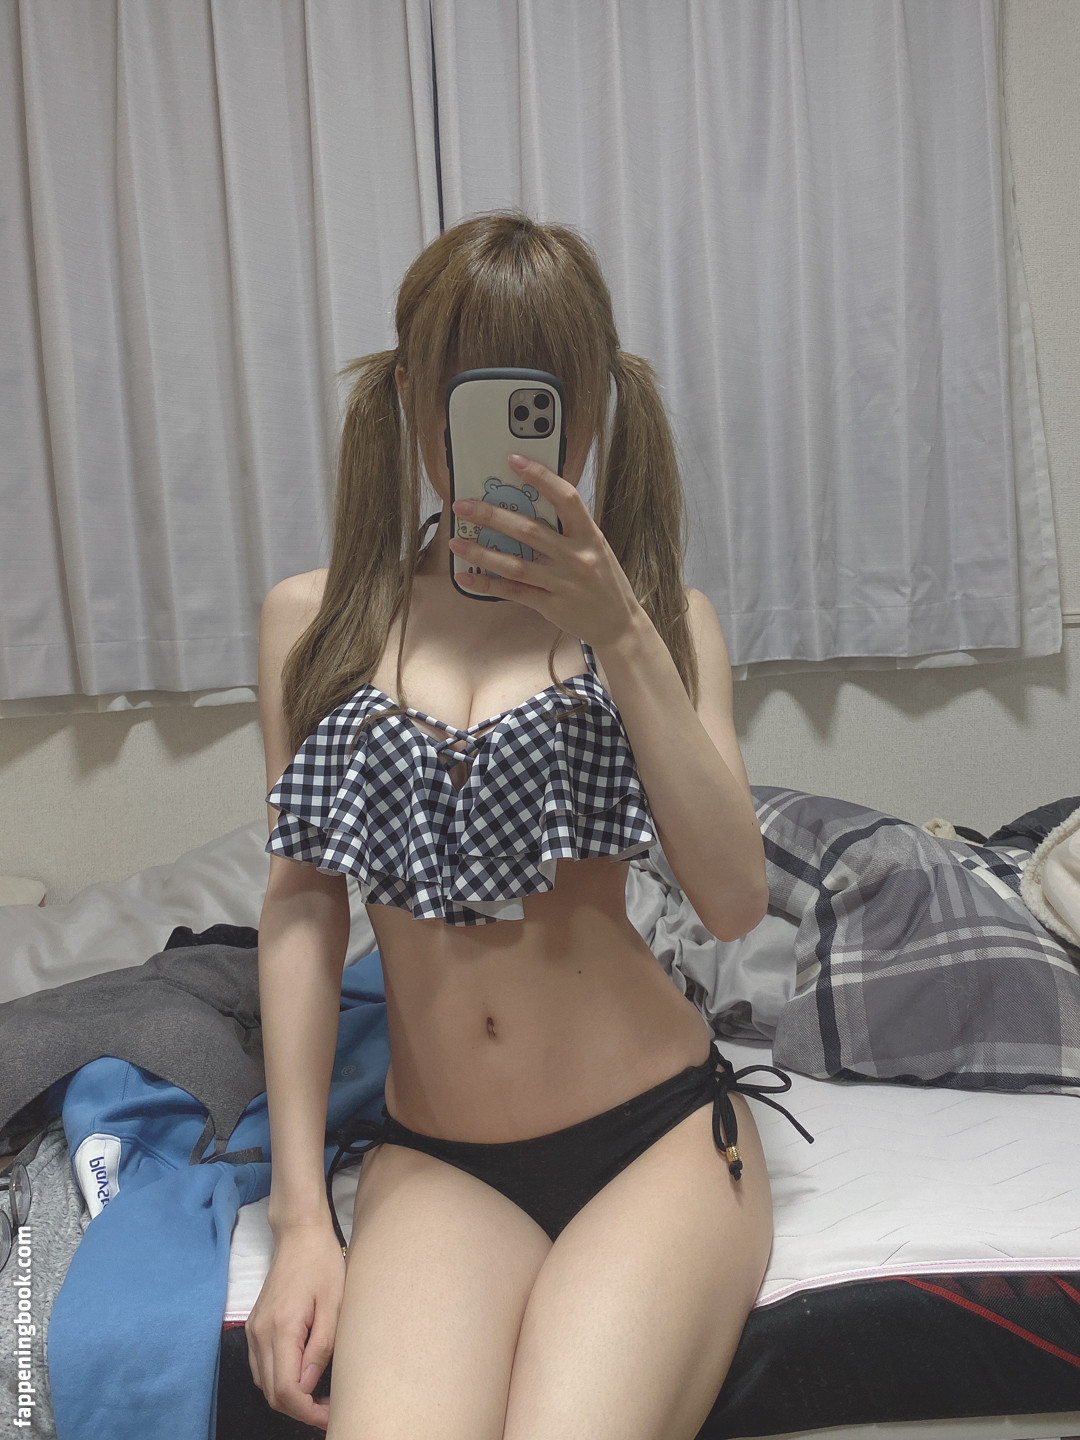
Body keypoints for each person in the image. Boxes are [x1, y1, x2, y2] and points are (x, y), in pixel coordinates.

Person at [245, 211, 813, 1440]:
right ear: (414, 395)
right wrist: (301, 1217)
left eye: (543, 401)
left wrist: (618, 630)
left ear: (590, 408)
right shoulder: (316, 623)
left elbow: (731, 900)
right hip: (437, 1159)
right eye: (472, 394)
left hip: (654, 1141)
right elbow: (300, 910)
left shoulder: (664, 621)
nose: (506, 444)